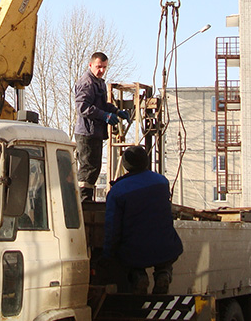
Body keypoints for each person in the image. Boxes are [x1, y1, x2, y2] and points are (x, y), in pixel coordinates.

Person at [100, 145, 183, 294]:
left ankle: (138, 277)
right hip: (166, 246)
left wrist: (107, 255)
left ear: (126, 165)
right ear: (146, 161)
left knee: (131, 261)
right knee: (164, 260)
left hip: (135, 249)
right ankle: (163, 274)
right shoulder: (162, 182)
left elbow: (112, 228)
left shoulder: (118, 191)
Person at [73, 52, 127, 201]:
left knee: (94, 168)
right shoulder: (86, 83)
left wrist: (115, 111)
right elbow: (82, 107)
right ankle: (83, 200)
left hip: (95, 132)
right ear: (90, 65)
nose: (101, 70)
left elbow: (101, 105)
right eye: (98, 67)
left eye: (104, 67)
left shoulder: (99, 83)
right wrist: (104, 116)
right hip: (86, 133)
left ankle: (86, 198)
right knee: (88, 168)